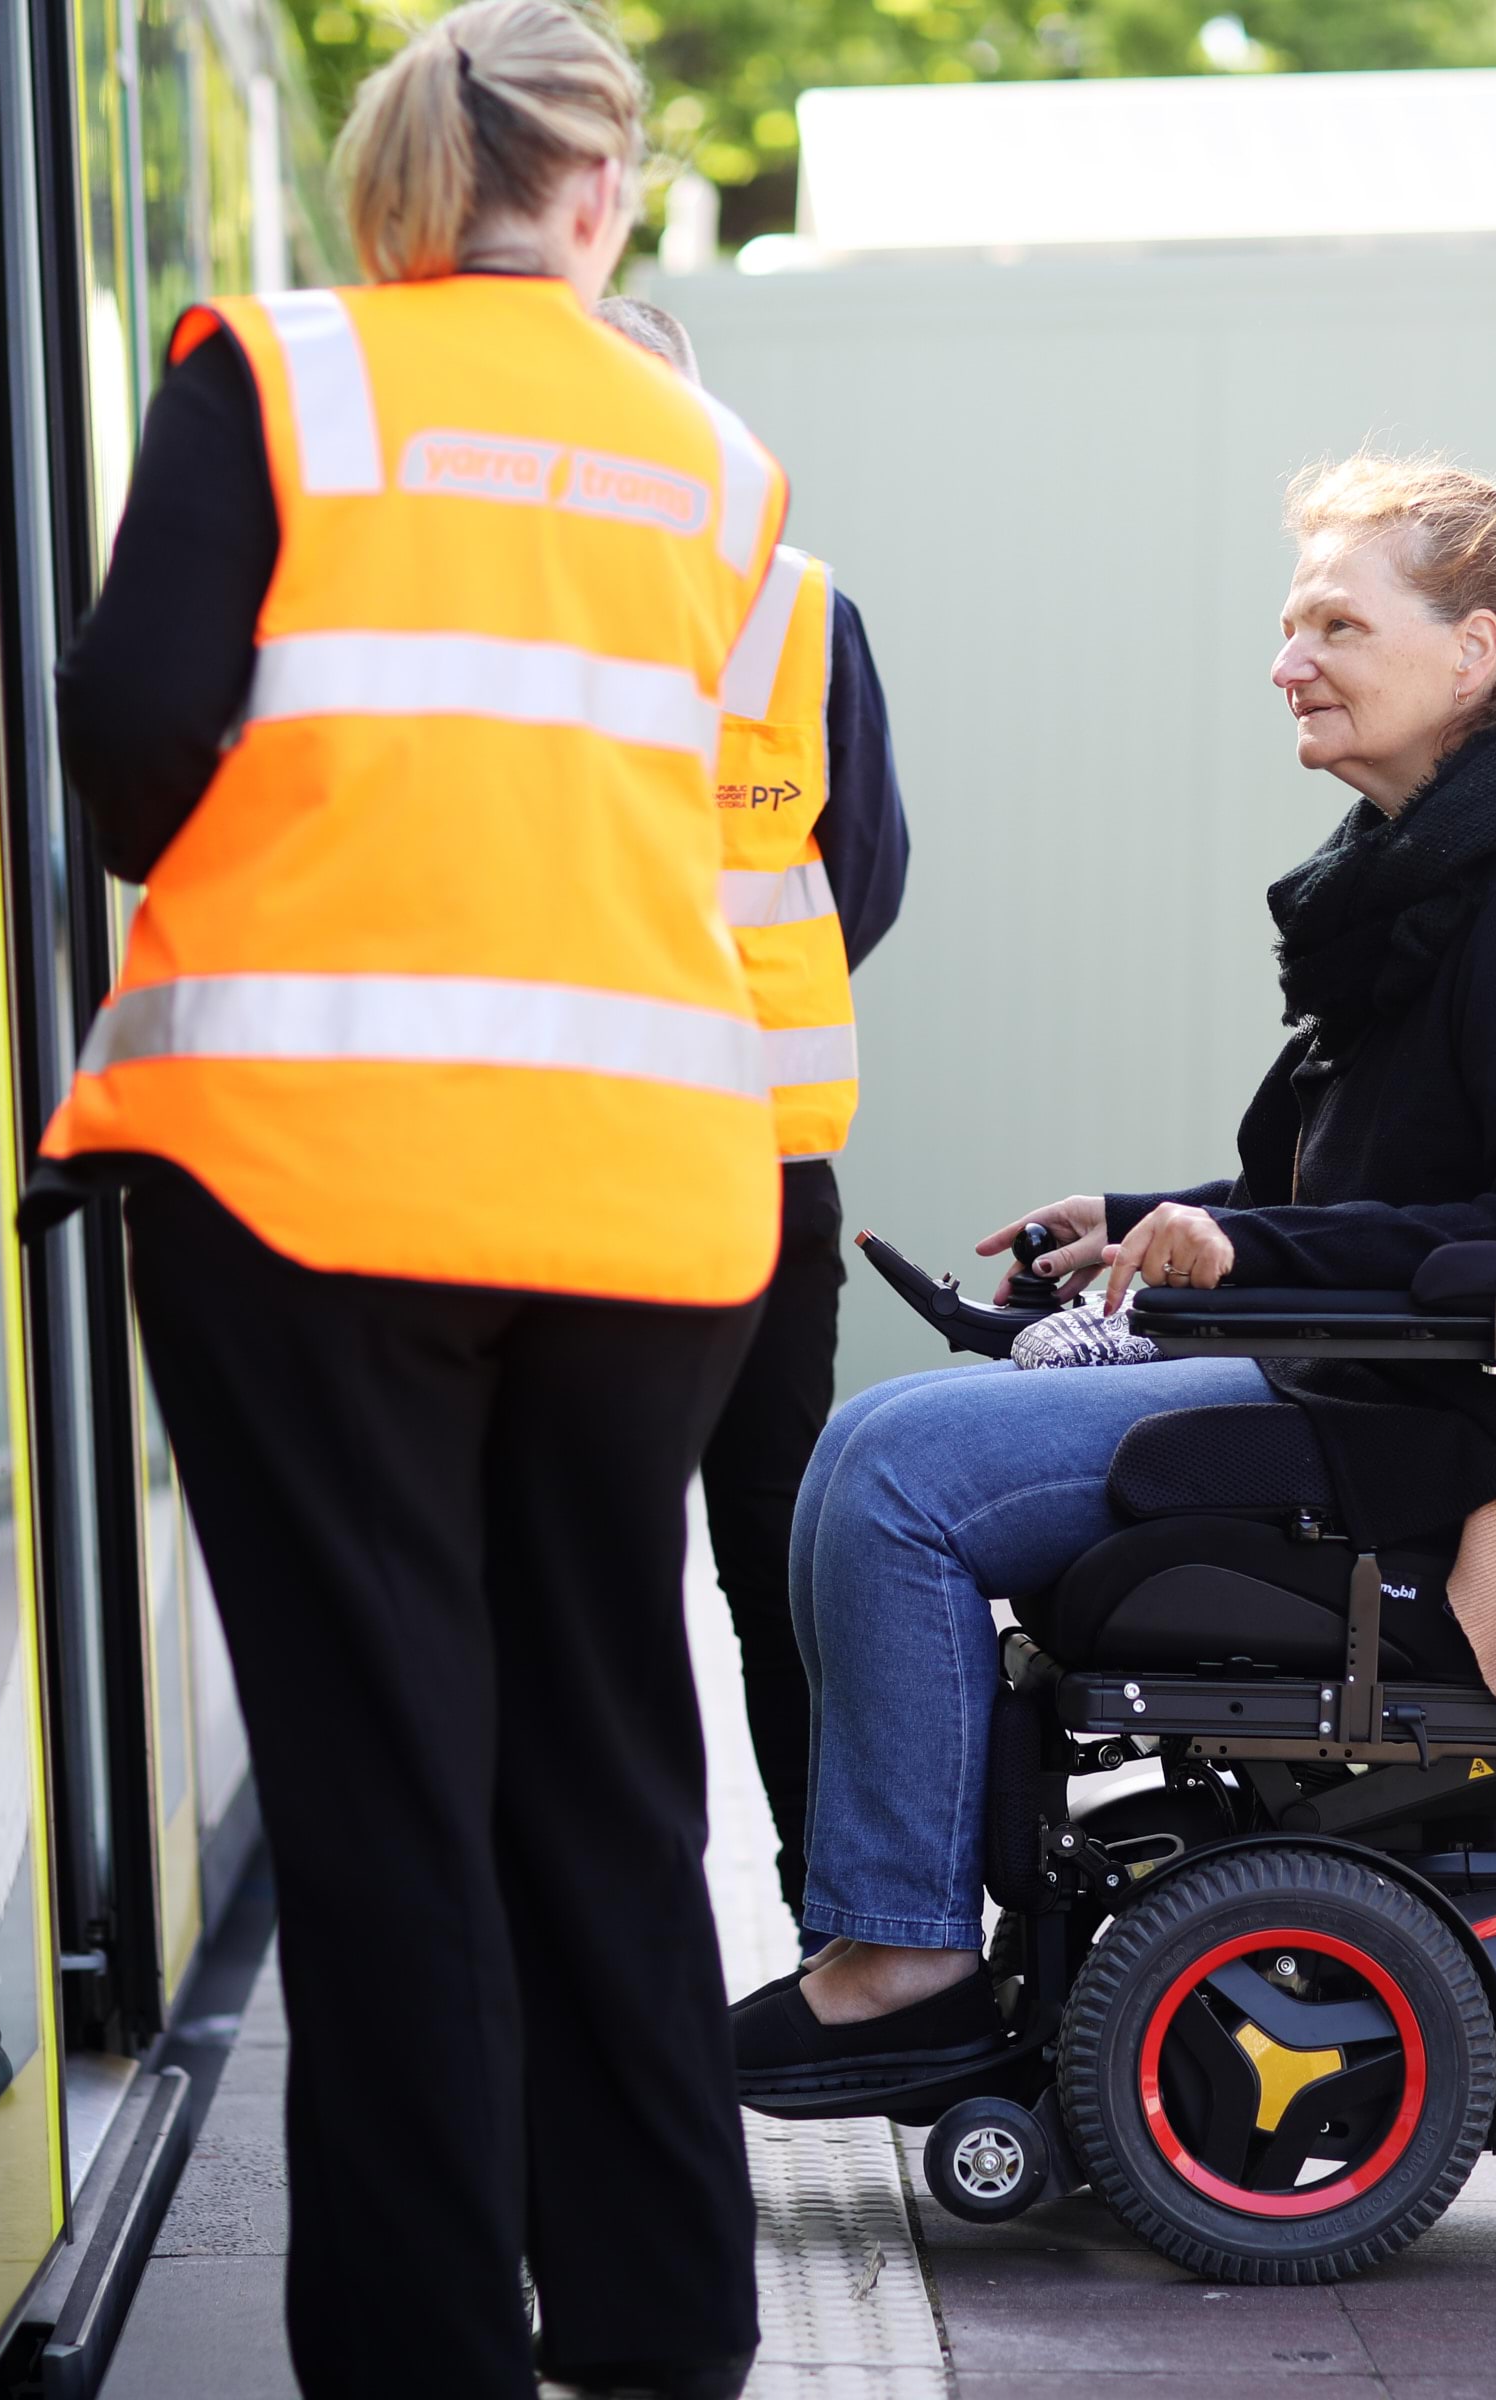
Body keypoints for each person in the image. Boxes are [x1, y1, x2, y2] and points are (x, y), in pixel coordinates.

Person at [35, 7, 790, 2392]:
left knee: (382, 1789)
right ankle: (666, 2320)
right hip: (655, 1199)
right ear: (599, 197)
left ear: (390, 185)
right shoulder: (715, 457)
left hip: (310, 1174)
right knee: (599, 1753)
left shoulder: (278, 375)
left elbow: (139, 729)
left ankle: (426, 2353)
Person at [729, 456, 1496, 2087]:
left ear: (1471, 657)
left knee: (899, 1472)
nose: (1287, 659)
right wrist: (1144, 1216)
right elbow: (1343, 1186)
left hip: (1451, 1425)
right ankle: (877, 1928)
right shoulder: (1425, 877)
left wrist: (1253, 1249)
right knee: (865, 1443)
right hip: (1353, 1371)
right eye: (1289, 620)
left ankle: (904, 1962)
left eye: (1335, 621)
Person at [594, 292, 912, 1928]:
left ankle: (726, 1933)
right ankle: (843, 1932)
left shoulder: (777, 611)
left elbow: (855, 880)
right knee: (773, 1552)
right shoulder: (794, 610)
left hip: (627, 1166)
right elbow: (857, 884)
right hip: (749, 1154)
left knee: (634, 1571)